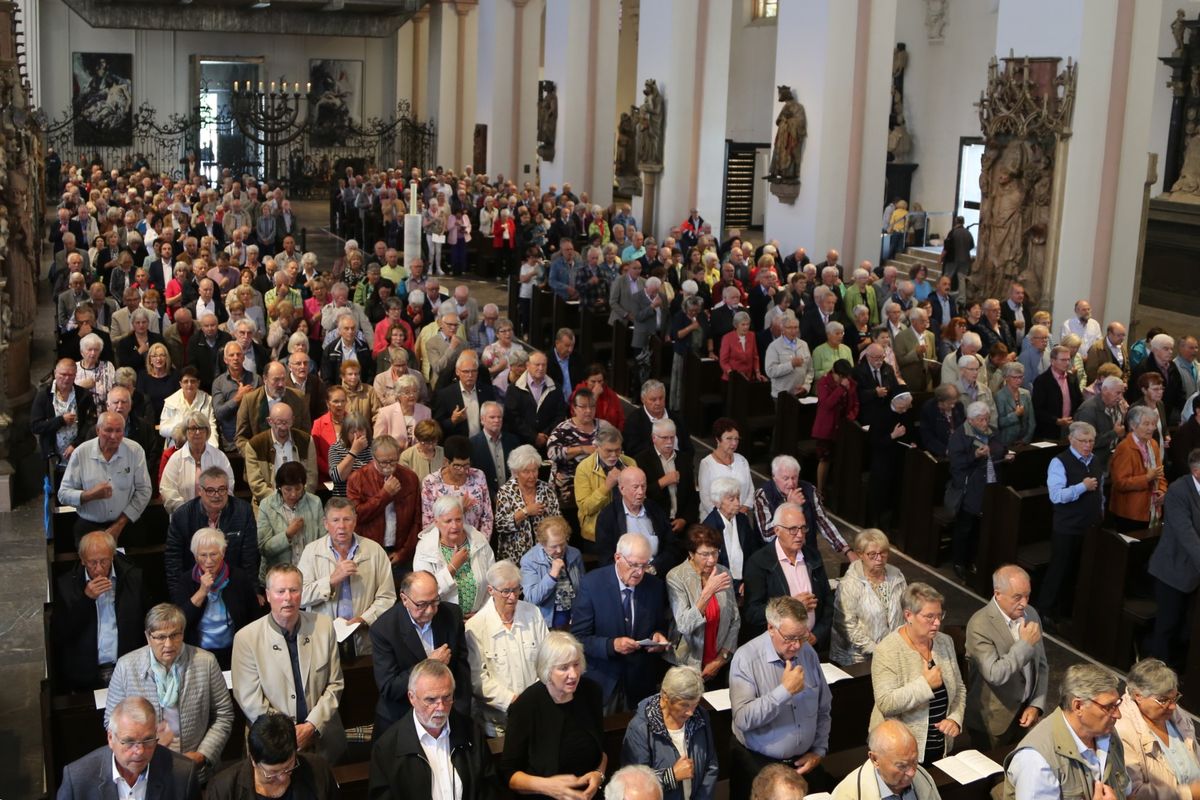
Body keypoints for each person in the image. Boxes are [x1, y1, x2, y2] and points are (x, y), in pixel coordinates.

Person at [104, 604, 235, 784]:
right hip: (143, 769)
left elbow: (223, 714)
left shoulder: (206, 662)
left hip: (194, 767)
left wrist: (203, 754)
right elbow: (111, 722)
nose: (169, 644)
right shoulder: (126, 666)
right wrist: (139, 750)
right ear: (148, 637)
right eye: (160, 637)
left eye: (175, 635)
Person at [231, 563, 346, 765]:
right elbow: (250, 700)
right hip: (270, 743)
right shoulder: (246, 638)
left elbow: (335, 684)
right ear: (268, 595)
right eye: (280, 591)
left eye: (294, 590)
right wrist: (288, 733)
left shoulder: (323, 626)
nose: (288, 598)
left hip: (321, 738)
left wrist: (311, 726)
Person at [729, 596, 831, 800]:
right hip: (760, 765)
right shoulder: (746, 658)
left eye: (802, 637)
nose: (796, 646)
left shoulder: (807, 652)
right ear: (771, 628)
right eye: (790, 638)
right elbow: (742, 719)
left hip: (803, 764)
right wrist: (784, 691)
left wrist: (819, 750)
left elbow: (824, 707)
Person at [368, 658, 497, 800]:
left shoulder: (470, 731)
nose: (441, 707)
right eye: (431, 700)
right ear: (412, 698)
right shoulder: (387, 748)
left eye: (447, 697)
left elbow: (489, 788)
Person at [500, 631, 607, 799]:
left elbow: (602, 750)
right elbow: (509, 774)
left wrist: (599, 774)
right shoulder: (526, 705)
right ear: (547, 670)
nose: (573, 674)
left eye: (576, 664)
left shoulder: (591, 692)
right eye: (564, 668)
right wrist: (547, 786)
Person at [571, 532, 670, 712]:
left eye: (645, 565)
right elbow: (578, 639)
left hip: (641, 683)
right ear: (618, 558)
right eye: (634, 565)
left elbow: (660, 626)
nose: (639, 572)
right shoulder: (592, 584)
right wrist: (611, 645)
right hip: (604, 681)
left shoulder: (654, 586)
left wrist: (658, 637)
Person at [870, 583, 965, 765]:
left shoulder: (945, 642)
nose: (937, 623)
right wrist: (925, 685)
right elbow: (886, 703)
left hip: (941, 747)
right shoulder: (887, 650)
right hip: (901, 754)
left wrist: (955, 719)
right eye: (929, 616)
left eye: (939, 615)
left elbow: (959, 689)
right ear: (908, 615)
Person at [1002, 663, 1128, 800]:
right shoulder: (1037, 761)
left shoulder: (1108, 735)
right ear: (1078, 706)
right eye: (1109, 707)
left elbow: (1128, 792)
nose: (1118, 715)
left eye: (1117, 704)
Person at [370, 569, 472, 737]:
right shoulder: (384, 629)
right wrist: (429, 664)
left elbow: (462, 673)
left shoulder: (451, 616)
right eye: (422, 604)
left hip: (447, 713)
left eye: (435, 601)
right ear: (404, 599)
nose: (430, 610)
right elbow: (390, 687)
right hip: (401, 717)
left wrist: (460, 714)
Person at [963, 564, 1049, 750]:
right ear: (998, 594)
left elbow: (1041, 665)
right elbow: (995, 674)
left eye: (1027, 596)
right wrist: (1024, 645)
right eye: (1017, 597)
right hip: (993, 723)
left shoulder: (1031, 614)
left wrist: (1036, 705)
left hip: (1026, 715)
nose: (1024, 603)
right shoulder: (979, 625)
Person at [297, 497, 396, 655]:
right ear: (325, 523)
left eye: (347, 519)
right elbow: (300, 596)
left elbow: (387, 597)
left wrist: (365, 619)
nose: (341, 526)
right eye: (335, 520)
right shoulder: (311, 552)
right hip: (323, 641)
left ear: (355, 521)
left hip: (365, 639)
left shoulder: (374, 551)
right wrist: (331, 581)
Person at [52, 530, 147, 691]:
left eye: (104, 561)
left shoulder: (133, 578)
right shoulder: (66, 585)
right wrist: (86, 599)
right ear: (83, 560)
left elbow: (145, 622)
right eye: (92, 563)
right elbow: (61, 633)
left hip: (128, 668)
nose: (99, 569)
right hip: (85, 674)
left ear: (112, 556)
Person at [465, 560, 550, 736]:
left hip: (536, 711)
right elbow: (477, 679)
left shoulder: (533, 613)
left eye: (516, 590)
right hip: (497, 724)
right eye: (505, 591)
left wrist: (532, 698)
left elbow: (548, 659)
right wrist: (513, 701)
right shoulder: (475, 626)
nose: (512, 597)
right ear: (490, 590)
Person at [58, 696, 199, 800]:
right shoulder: (78, 779)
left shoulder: (183, 774)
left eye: (148, 740)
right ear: (110, 738)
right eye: (129, 741)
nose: (140, 751)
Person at [621, 665, 720, 800]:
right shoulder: (640, 729)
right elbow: (635, 785)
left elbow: (711, 765)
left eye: (695, 704)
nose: (691, 712)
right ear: (665, 697)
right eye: (684, 705)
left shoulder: (700, 716)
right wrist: (671, 776)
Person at [742, 502, 834, 645]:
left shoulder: (812, 556)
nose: (800, 535)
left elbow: (828, 601)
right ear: (777, 530)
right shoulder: (759, 562)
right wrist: (791, 606)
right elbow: (752, 613)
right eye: (793, 529)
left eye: (803, 528)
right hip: (777, 648)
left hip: (812, 645)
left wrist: (817, 635)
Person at [1040, 422, 1104, 627]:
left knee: (1077, 570)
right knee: (1059, 570)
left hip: (1090, 526)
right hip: (1067, 527)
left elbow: (1101, 490)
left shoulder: (1095, 460)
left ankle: (1066, 610)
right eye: (1083, 441)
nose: (1087, 445)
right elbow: (1056, 496)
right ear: (1071, 439)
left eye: (1091, 441)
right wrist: (1082, 487)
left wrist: (1100, 511)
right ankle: (1045, 610)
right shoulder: (1059, 462)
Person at [171, 526, 260, 669]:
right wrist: (202, 592)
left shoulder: (238, 578)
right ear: (195, 556)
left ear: (223, 553)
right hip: (198, 654)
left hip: (235, 651)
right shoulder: (186, 581)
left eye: (213, 554)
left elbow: (254, 616)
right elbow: (180, 622)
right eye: (203, 555)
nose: (208, 561)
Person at [58, 411, 153, 543]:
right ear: (98, 430)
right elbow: (63, 494)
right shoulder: (81, 452)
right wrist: (89, 495)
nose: (114, 436)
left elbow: (144, 490)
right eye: (108, 430)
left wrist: (119, 524)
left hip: (126, 523)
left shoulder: (135, 451)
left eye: (118, 431)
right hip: (90, 525)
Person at [1113, 658, 1200, 800]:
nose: (1173, 706)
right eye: (1163, 700)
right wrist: (1189, 793)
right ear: (1138, 696)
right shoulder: (1122, 729)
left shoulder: (1174, 712)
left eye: (1175, 698)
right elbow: (1133, 792)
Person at [166, 466, 259, 596]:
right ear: (200, 491)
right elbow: (173, 561)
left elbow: (250, 557)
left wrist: (253, 592)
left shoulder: (243, 511)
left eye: (222, 489)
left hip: (234, 585)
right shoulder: (182, 516)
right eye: (210, 490)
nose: (217, 495)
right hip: (194, 586)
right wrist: (178, 596)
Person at [206, 712, 339, 800]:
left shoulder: (317, 769)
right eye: (272, 773)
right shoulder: (223, 790)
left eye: (288, 767)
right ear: (253, 760)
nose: (282, 778)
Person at [666, 524, 740, 681]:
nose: (711, 560)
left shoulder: (723, 572)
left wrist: (721, 658)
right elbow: (684, 626)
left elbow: (735, 619)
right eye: (705, 554)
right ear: (691, 553)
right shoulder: (676, 577)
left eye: (715, 552)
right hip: (686, 665)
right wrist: (707, 593)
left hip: (719, 661)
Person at [1147, 450, 1200, 668]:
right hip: (1173, 570)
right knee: (1168, 625)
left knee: (1186, 628)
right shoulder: (1179, 491)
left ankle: (1177, 669)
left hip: (1193, 574)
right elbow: (1187, 536)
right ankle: (1157, 672)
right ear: (1197, 472)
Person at [948, 400, 1009, 581]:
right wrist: (975, 455)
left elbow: (1001, 447)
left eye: (987, 418)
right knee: (965, 527)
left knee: (979, 527)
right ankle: (959, 562)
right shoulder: (960, 436)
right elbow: (956, 463)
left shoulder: (993, 432)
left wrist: (1004, 455)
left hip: (990, 484)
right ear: (971, 420)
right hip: (969, 488)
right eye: (981, 420)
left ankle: (973, 559)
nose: (985, 423)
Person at [831, 529, 907, 666]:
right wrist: (877, 651)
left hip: (895, 653)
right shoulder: (849, 584)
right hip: (858, 659)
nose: (879, 558)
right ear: (860, 554)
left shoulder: (897, 577)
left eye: (883, 553)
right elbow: (846, 626)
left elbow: (907, 611)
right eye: (872, 554)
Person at [347, 434, 423, 569]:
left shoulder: (410, 478)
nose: (389, 466)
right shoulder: (358, 478)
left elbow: (416, 520)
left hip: (400, 552)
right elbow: (356, 516)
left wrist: (404, 553)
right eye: (383, 462)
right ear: (373, 457)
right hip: (368, 551)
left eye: (393, 461)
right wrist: (385, 495)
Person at [414, 494, 496, 616]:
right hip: (442, 620)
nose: (455, 526)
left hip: (479, 617)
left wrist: (482, 614)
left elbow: (493, 581)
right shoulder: (425, 548)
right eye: (448, 521)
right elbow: (424, 593)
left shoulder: (478, 540)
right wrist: (452, 568)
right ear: (436, 523)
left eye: (458, 519)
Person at [595, 465, 679, 574]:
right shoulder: (608, 516)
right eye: (635, 487)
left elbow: (671, 546)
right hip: (625, 576)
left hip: (656, 572)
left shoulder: (655, 510)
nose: (641, 492)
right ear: (622, 489)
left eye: (643, 486)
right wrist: (631, 572)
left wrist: (654, 568)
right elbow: (605, 557)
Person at [831, 720, 940, 800]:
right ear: (874, 759)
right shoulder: (847, 795)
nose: (912, 773)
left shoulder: (923, 777)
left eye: (915, 761)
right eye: (902, 766)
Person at [256, 461, 325, 584]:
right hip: (278, 576)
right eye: (288, 489)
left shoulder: (315, 502)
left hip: (310, 575)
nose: (293, 494)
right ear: (279, 487)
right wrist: (287, 535)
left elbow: (323, 540)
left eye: (298, 488)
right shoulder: (266, 505)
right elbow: (264, 548)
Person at [494, 444, 561, 563]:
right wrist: (526, 512)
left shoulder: (547, 490)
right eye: (526, 471)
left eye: (534, 470)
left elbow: (558, 521)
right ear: (516, 472)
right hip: (514, 557)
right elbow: (500, 525)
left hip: (544, 556)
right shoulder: (506, 492)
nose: (532, 476)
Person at [421, 435, 494, 537]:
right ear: (446, 462)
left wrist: (480, 543)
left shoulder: (478, 476)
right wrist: (458, 510)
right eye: (457, 466)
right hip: (443, 542)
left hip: (476, 541)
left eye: (466, 465)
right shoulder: (431, 482)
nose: (462, 471)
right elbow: (428, 524)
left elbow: (487, 517)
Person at [520, 516, 586, 629]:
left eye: (562, 544)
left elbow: (582, 587)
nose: (559, 550)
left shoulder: (575, 554)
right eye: (554, 546)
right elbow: (532, 598)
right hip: (545, 623)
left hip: (573, 619)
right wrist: (552, 575)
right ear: (542, 543)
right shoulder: (530, 560)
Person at [1109, 405, 1168, 531]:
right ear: (1133, 425)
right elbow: (1120, 483)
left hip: (1152, 508)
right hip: (1130, 513)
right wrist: (1147, 478)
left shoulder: (1153, 444)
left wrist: (1162, 491)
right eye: (1146, 424)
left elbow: (1160, 473)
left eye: (1153, 424)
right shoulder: (1125, 448)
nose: (1151, 428)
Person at [546, 387, 600, 508]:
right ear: (574, 408)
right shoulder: (563, 429)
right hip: (567, 490)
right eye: (583, 407)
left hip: (595, 489)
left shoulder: (603, 427)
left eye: (592, 406)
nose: (588, 411)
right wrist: (582, 449)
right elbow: (551, 452)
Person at [697, 418, 753, 520]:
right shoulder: (707, 464)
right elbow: (705, 498)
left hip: (740, 517)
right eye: (729, 439)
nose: (734, 443)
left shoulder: (742, 460)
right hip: (715, 519)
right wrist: (724, 517)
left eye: (736, 439)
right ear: (718, 440)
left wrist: (743, 510)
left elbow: (750, 489)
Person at [1032, 345, 1084, 440]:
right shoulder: (1042, 381)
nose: (1067, 363)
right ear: (1052, 361)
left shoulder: (1072, 378)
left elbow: (1079, 401)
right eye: (1063, 360)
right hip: (1049, 431)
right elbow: (1037, 410)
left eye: (1068, 359)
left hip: (1071, 428)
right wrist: (1057, 421)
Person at [996, 362, 1036, 445]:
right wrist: (1015, 415)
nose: (1019, 380)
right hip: (1007, 442)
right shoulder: (1000, 396)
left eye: (1021, 377)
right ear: (1006, 378)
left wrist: (1026, 440)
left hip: (1025, 441)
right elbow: (999, 422)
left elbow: (1032, 421)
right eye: (1014, 377)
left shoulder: (1026, 394)